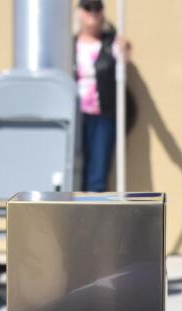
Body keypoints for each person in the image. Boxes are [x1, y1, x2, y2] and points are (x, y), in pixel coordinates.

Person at [74, 0, 131, 192]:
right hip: (74, 117)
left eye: (97, 8)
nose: (93, 13)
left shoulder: (110, 44)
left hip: (102, 116)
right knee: (73, 170)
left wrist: (124, 52)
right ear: (80, 12)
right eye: (88, 8)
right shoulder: (69, 44)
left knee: (97, 175)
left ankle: (93, 220)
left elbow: (123, 61)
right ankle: (72, 219)